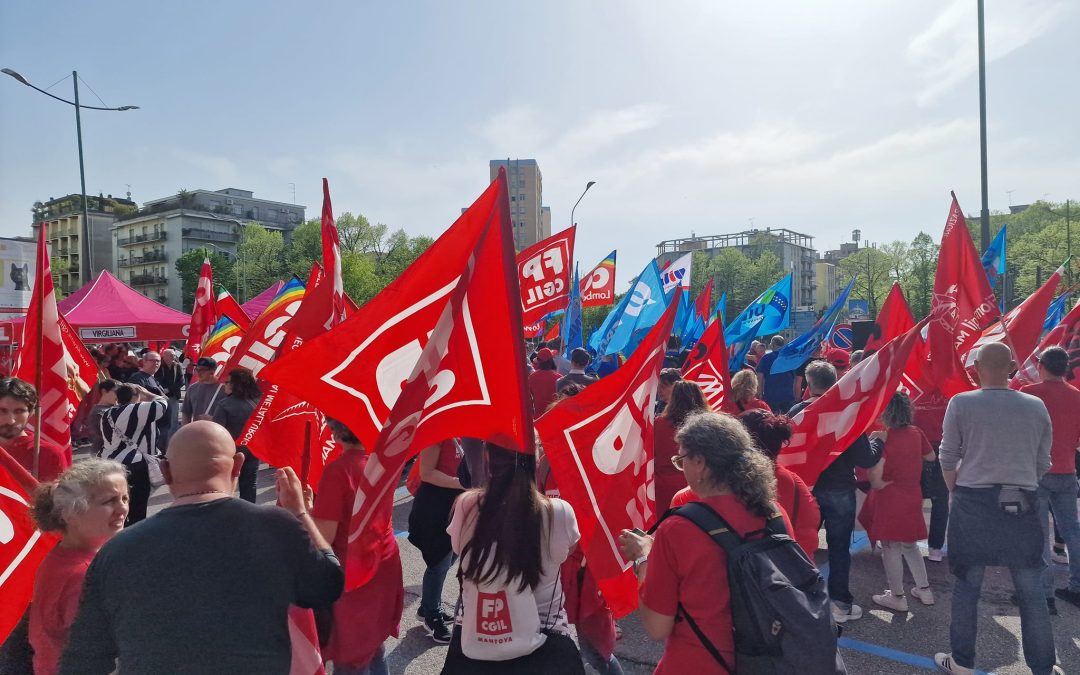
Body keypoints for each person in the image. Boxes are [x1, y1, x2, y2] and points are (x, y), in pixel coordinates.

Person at [60, 422, 344, 675]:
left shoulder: (116, 551)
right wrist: (300, 514)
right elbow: (326, 585)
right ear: (238, 466)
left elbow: (85, 657)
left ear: (165, 470)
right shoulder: (277, 526)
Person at [618, 412, 793, 673]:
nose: (682, 468)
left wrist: (644, 559)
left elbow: (656, 626)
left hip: (699, 663)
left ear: (699, 461)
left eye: (681, 460)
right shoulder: (774, 513)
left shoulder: (677, 528)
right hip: (767, 660)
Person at [934, 343, 1060, 675]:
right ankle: (1044, 667)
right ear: (1013, 367)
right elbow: (1043, 461)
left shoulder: (960, 403)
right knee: (1032, 592)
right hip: (1022, 502)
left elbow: (947, 457)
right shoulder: (1035, 406)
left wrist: (958, 491)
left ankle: (961, 662)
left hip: (972, 502)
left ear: (975, 367)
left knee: (966, 587)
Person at [441, 443, 583, 674]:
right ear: (535, 460)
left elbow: (458, 547)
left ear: (487, 459)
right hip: (547, 640)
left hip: (477, 640)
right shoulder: (558, 512)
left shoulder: (467, 505)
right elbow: (567, 550)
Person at [788, 361, 879, 623]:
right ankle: (840, 604)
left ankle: (798, 599)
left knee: (802, 546)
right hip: (839, 489)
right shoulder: (848, 413)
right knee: (839, 549)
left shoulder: (797, 412)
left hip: (807, 490)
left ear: (808, 383)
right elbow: (865, 458)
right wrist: (878, 444)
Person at [311, 419, 403, 675]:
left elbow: (323, 538)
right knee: (374, 646)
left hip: (352, 572)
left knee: (350, 659)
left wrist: (299, 511)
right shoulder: (383, 464)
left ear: (334, 431)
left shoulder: (338, 471)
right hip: (383, 560)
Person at [28, 459, 129, 675]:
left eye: (124, 498)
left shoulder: (62, 556)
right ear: (71, 515)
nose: (122, 508)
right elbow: (98, 649)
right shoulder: (84, 575)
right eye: (109, 501)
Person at [858, 391, 936, 612]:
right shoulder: (916, 432)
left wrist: (881, 482)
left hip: (891, 497)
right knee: (910, 545)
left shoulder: (884, 437)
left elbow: (874, 476)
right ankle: (924, 589)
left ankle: (897, 596)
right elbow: (931, 457)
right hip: (912, 494)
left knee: (891, 547)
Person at [1020, 346, 1080, 609]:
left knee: (1037, 534)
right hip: (1067, 471)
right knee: (1072, 531)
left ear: (1041, 365)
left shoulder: (1029, 395)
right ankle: (1077, 587)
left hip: (1035, 472)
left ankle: (1043, 594)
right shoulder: (1078, 397)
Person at [738, 409, 821, 558]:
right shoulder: (794, 482)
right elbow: (809, 530)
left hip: (756, 573)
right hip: (794, 571)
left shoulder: (732, 485)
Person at [409, 438, 465, 644]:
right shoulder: (439, 432)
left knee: (451, 558)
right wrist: (461, 482)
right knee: (439, 562)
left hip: (458, 506)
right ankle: (432, 615)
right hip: (436, 506)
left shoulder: (469, 431)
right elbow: (427, 472)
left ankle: (427, 606)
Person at [99, 383, 168, 525]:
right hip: (134, 465)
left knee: (116, 503)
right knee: (136, 507)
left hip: (110, 463)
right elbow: (162, 404)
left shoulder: (108, 414)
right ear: (134, 397)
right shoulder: (136, 410)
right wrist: (148, 394)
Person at [653, 381, 709, 513]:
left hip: (663, 486)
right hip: (699, 484)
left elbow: (651, 453)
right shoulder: (709, 424)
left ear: (673, 399)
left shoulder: (659, 423)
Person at [0, 377, 69, 481]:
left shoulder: (49, 454)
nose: (11, 421)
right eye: (3, 411)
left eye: (19, 411)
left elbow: (60, 496)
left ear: (31, 413)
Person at [212, 368, 262, 503]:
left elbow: (217, 432)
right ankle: (250, 515)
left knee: (225, 487)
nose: (224, 385)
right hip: (253, 450)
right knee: (250, 486)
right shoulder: (260, 402)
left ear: (235, 385)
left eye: (227, 382)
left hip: (230, 453)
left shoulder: (224, 405)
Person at [756, 335, 796, 413]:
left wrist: (759, 394)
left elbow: (759, 378)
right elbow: (795, 377)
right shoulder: (790, 358)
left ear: (773, 344)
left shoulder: (765, 358)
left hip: (771, 395)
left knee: (772, 420)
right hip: (787, 395)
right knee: (787, 420)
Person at [181, 357, 225, 424]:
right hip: (196, 430)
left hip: (217, 432)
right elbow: (186, 413)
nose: (198, 373)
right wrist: (185, 431)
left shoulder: (223, 389)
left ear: (212, 372)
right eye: (197, 369)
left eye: (202, 370)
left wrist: (215, 419)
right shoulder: (192, 388)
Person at [156, 349, 185, 443]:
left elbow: (181, 381)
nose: (174, 357)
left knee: (174, 419)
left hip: (173, 396)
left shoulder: (177, 366)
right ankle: (162, 440)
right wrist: (161, 390)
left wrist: (169, 389)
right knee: (162, 418)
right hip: (160, 397)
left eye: (174, 355)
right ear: (164, 356)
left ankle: (173, 440)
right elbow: (156, 380)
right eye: (171, 355)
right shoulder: (159, 366)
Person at [87, 380, 118, 457]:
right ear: (104, 391)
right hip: (102, 454)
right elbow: (107, 434)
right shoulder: (98, 412)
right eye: (116, 392)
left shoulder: (116, 408)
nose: (118, 396)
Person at [528, 349, 561, 419]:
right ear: (551, 360)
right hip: (553, 417)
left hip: (537, 417)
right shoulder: (559, 378)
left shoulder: (531, 377)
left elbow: (529, 399)